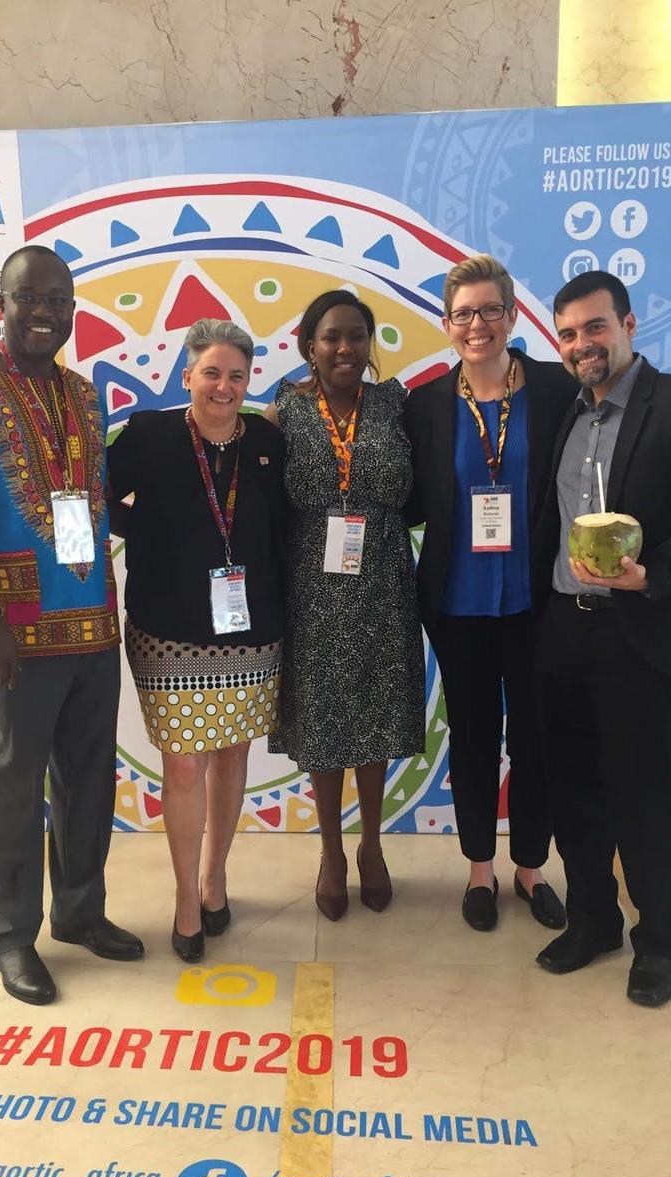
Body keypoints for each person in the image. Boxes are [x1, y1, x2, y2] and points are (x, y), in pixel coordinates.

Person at [0, 244, 143, 1007]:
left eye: (59, 299)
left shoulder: (82, 394)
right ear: (2, 300)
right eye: (29, 296)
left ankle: (80, 912)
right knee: (16, 783)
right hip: (13, 627)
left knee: (88, 778)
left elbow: (84, 500)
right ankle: (12, 934)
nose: (45, 311)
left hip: (90, 623)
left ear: (73, 308)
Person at [533, 269, 671, 1006]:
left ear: (628, 324)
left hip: (639, 634)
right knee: (572, 792)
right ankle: (592, 919)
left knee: (643, 794)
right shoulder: (568, 411)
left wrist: (654, 574)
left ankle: (658, 935)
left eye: (595, 326)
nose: (582, 343)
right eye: (568, 333)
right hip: (563, 629)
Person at [404, 254, 576, 933]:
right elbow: (409, 493)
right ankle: (480, 866)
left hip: (539, 598)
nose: (477, 324)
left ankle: (532, 866)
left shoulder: (558, 391)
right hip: (458, 602)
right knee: (473, 735)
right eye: (463, 313)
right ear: (448, 325)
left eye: (489, 310)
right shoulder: (427, 405)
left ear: (511, 314)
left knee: (536, 735)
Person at [107, 319, 286, 963]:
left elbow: (282, 524)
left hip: (251, 628)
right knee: (184, 762)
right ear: (188, 376)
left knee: (233, 753)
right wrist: (147, 528)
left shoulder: (265, 440)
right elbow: (97, 497)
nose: (224, 386)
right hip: (167, 626)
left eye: (237, 375)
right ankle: (186, 899)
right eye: (212, 372)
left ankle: (216, 879)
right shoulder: (150, 434)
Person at [265, 289, 425, 920]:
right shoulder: (283, 411)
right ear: (309, 344)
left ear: (369, 343)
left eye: (356, 336)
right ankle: (331, 852)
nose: (344, 348)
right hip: (312, 585)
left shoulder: (394, 404)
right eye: (331, 336)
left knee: (378, 709)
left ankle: (373, 846)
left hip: (384, 577)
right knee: (324, 720)